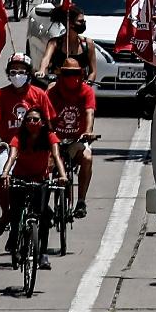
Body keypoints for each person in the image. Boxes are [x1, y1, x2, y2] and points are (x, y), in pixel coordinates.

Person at [0, 54, 55, 235]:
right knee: (2, 178)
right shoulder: (0, 94)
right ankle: (6, 213)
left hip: (35, 148)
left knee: (43, 185)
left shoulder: (39, 94)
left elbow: (49, 122)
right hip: (9, 148)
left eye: (22, 72)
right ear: (8, 74)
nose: (18, 75)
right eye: (13, 71)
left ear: (29, 74)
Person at [0, 106, 66, 269]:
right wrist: (6, 173)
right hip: (20, 178)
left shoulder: (50, 137)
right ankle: (15, 243)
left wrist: (63, 175)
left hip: (40, 180)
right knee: (16, 214)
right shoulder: (18, 137)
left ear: (43, 122)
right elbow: (12, 155)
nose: (31, 122)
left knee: (43, 216)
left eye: (35, 119)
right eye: (28, 119)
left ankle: (42, 253)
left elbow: (56, 156)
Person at [46, 59, 98, 220]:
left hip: (77, 139)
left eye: (75, 73)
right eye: (67, 73)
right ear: (61, 75)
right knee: (43, 165)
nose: (72, 77)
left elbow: (90, 112)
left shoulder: (86, 91)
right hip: (55, 140)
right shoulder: (53, 91)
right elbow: (45, 114)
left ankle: (81, 201)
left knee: (87, 158)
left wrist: (88, 132)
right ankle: (41, 204)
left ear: (81, 75)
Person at [37, 5, 98, 85]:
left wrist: (87, 84)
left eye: (84, 21)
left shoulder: (88, 44)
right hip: (58, 86)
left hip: (80, 87)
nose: (83, 24)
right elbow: (46, 59)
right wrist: (42, 70)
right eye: (80, 21)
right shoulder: (55, 43)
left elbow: (93, 71)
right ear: (70, 23)